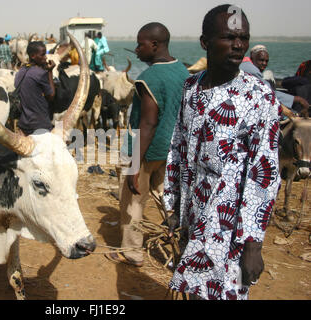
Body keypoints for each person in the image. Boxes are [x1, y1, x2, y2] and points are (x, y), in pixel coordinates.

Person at [163, 4, 281, 300]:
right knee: (193, 290)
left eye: (244, 37)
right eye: (229, 37)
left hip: (231, 230)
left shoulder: (258, 95)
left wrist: (253, 242)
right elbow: (178, 147)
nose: (239, 45)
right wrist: (172, 203)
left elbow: (264, 172)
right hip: (192, 219)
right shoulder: (191, 88)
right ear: (205, 43)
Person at [104, 22, 189, 267]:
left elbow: (148, 123)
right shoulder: (182, 71)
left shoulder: (148, 78)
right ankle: (183, 246)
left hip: (147, 150)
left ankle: (131, 251)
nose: (136, 49)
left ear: (154, 44)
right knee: (167, 198)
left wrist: (134, 165)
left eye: (140, 44)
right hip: (171, 149)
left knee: (133, 201)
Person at [240, 45, 309, 117]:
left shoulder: (246, 65)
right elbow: (268, 93)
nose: (264, 63)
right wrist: (297, 99)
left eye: (266, 61)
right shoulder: (252, 70)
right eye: (261, 60)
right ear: (252, 58)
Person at [15, 41, 56, 135]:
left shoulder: (21, 71)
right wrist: (50, 71)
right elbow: (51, 95)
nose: (45, 57)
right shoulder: (41, 74)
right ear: (33, 56)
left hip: (24, 123)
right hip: (40, 124)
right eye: (42, 55)